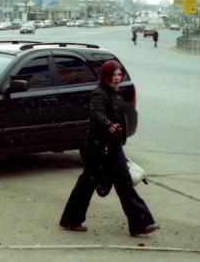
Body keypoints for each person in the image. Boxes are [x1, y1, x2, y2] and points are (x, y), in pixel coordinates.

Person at [59, 60, 159, 237]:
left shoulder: (115, 92)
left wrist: (117, 134)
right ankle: (70, 220)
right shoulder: (99, 93)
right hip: (98, 147)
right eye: (114, 75)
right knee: (88, 183)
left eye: (119, 75)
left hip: (114, 147)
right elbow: (97, 114)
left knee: (125, 183)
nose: (117, 78)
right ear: (105, 76)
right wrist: (108, 125)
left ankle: (139, 224)